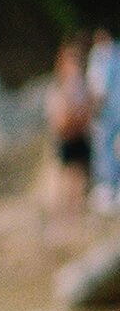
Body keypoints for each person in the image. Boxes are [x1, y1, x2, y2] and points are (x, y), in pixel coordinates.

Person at [45, 34, 93, 223]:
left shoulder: (78, 84)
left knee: (78, 174)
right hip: (67, 134)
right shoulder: (63, 85)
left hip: (77, 133)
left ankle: (74, 213)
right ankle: (65, 214)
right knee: (68, 174)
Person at [88, 27, 120, 211]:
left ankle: (107, 190)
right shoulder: (117, 52)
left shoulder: (99, 56)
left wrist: (92, 110)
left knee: (105, 149)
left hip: (106, 114)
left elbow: (98, 88)